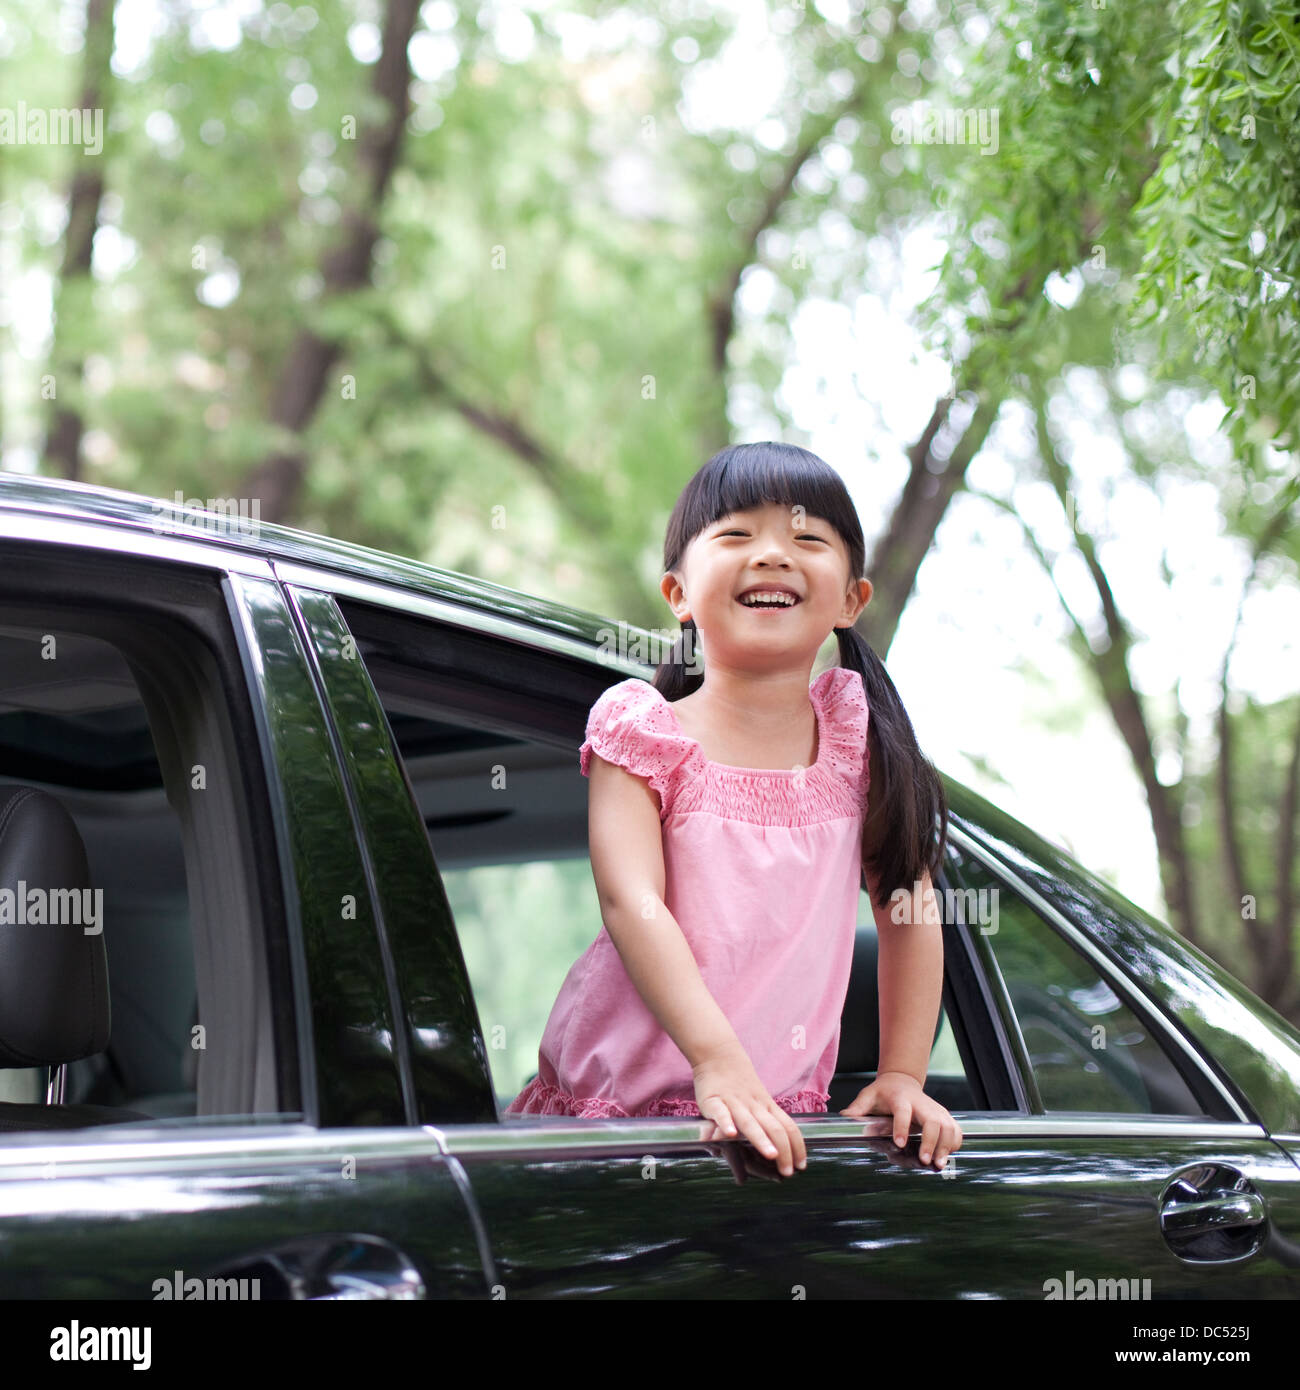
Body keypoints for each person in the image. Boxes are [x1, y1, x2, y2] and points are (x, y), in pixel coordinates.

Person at [505, 441, 963, 1178]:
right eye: (736, 535)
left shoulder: (858, 746)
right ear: (678, 593)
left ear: (852, 600)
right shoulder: (642, 731)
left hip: (771, 1125)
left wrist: (903, 1074)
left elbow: (908, 901)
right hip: (620, 1119)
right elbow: (631, 901)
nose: (773, 555)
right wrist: (717, 1062)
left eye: (808, 539)